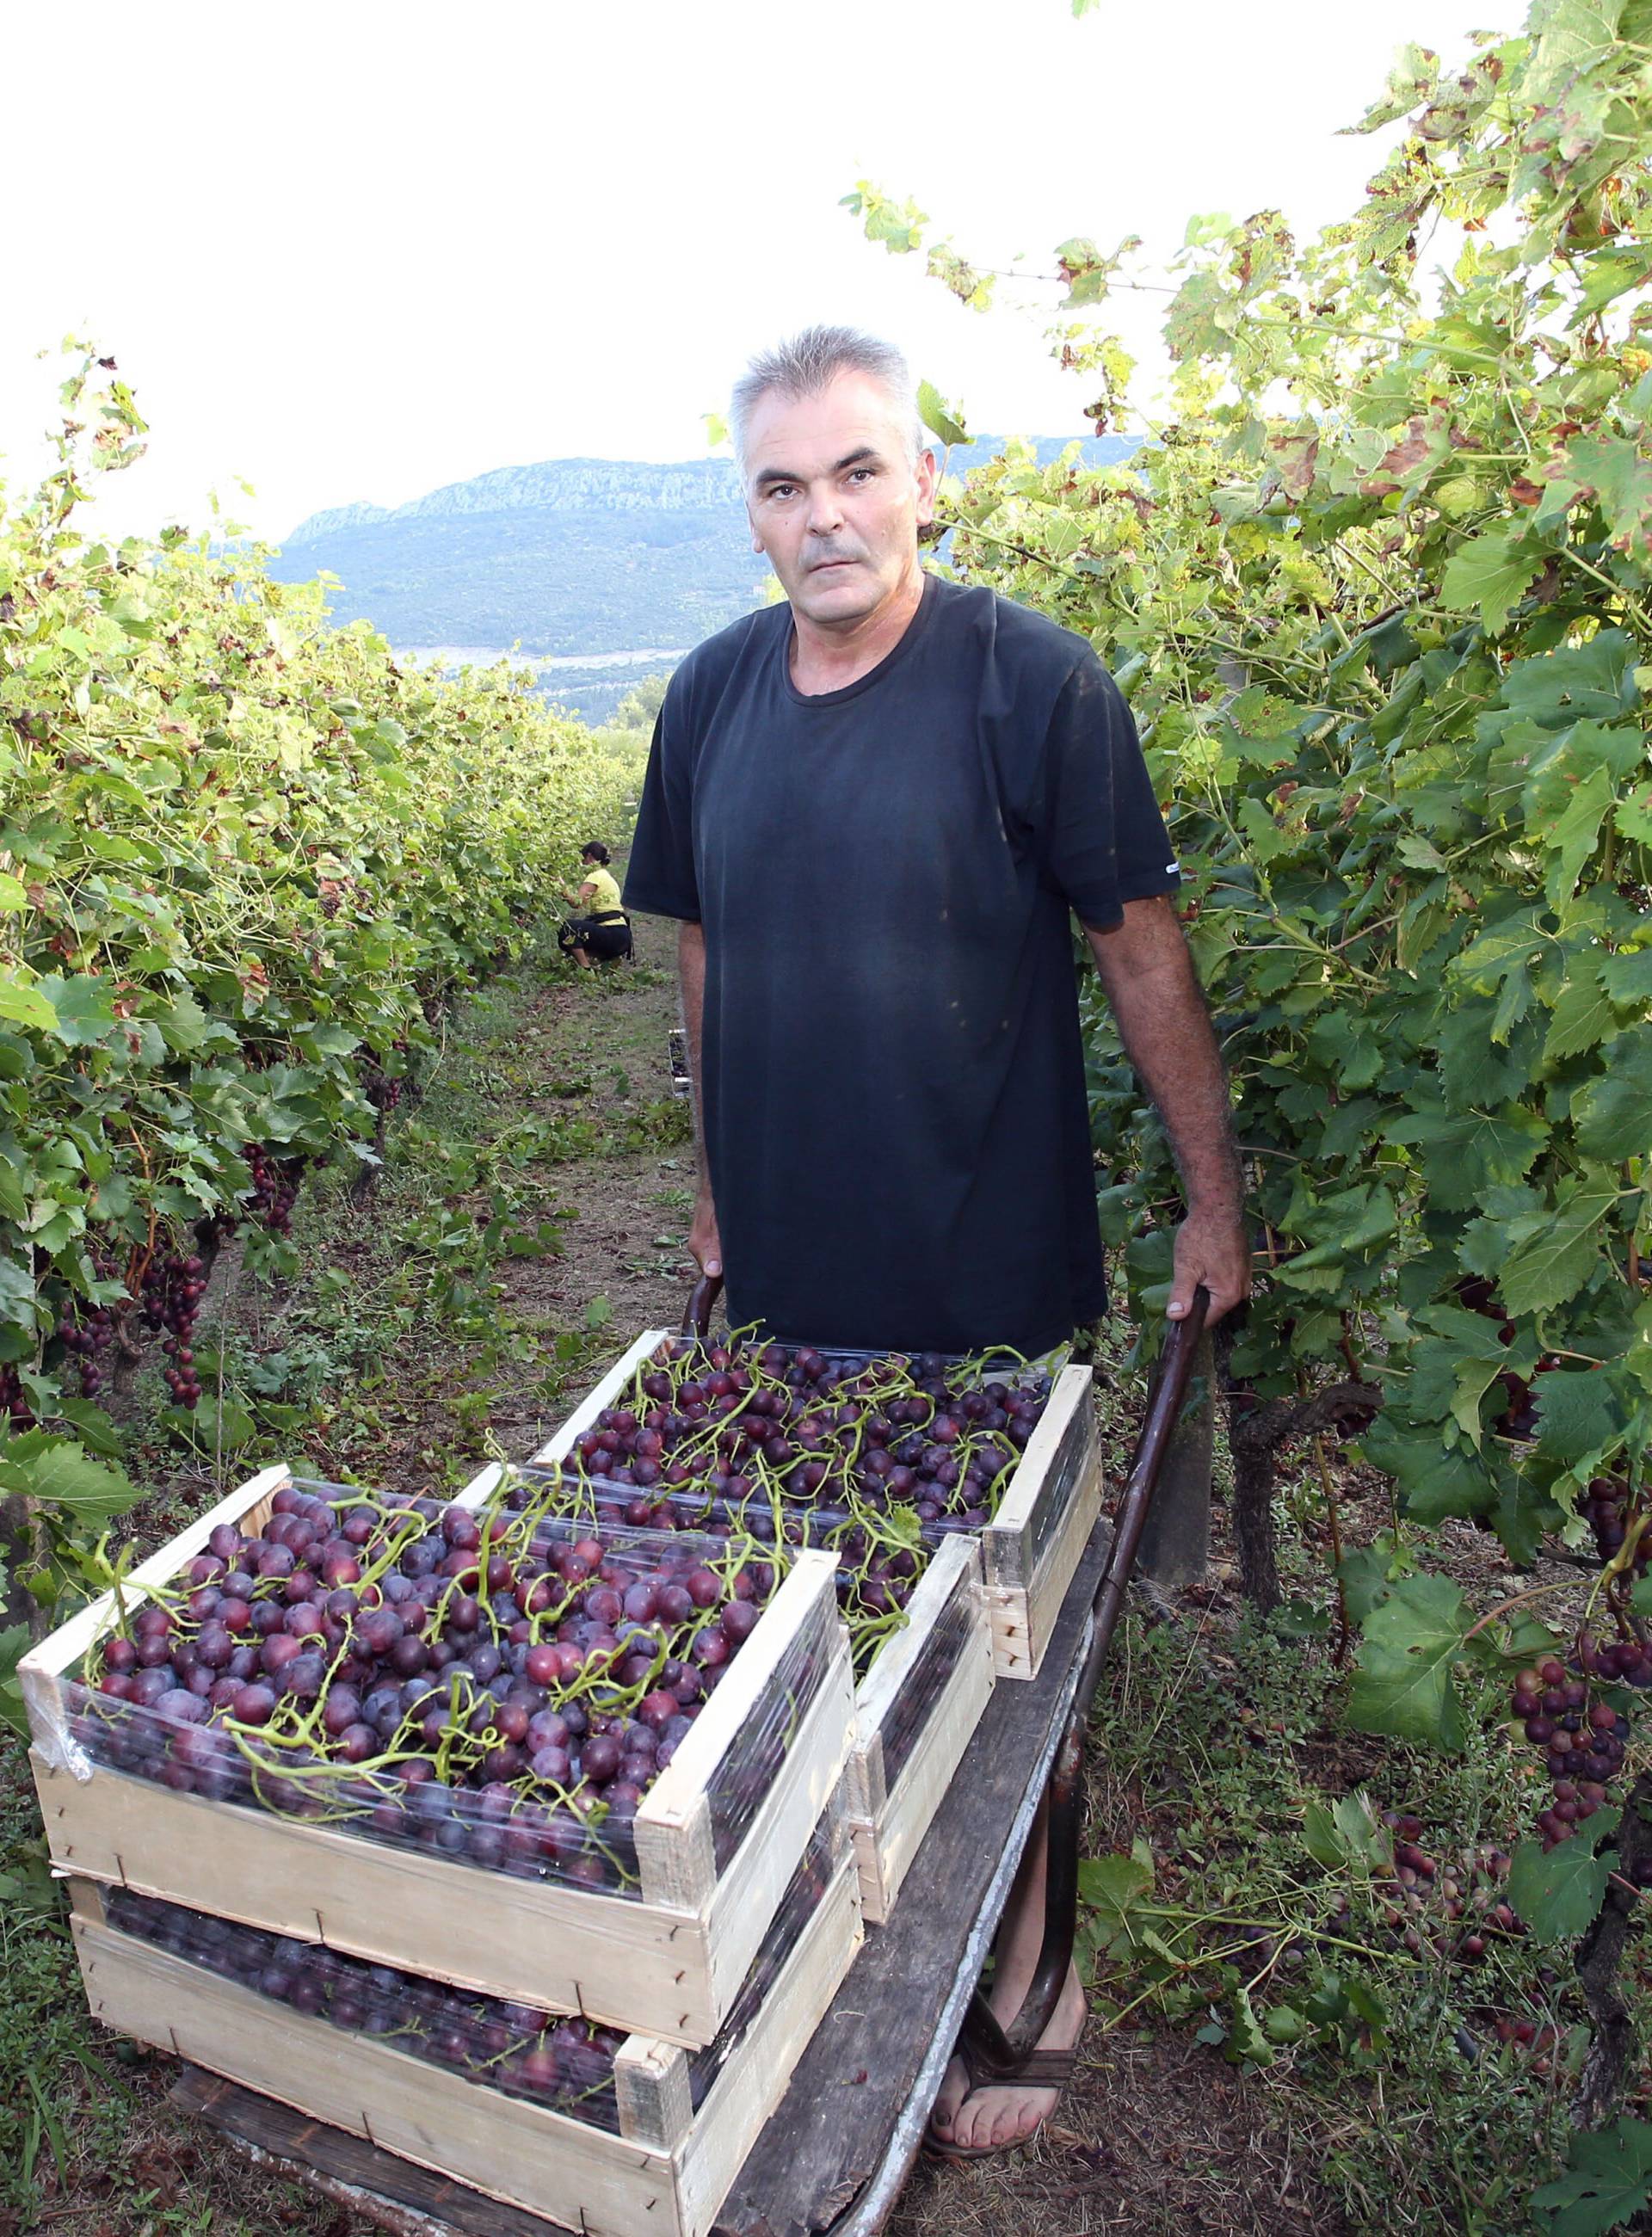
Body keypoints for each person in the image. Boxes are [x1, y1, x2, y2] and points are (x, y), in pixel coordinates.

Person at [623, 326, 1250, 2157]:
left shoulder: (1028, 684)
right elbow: (704, 945)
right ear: (750, 515)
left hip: (987, 1269)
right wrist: (720, 1176)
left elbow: (1139, 944)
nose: (824, 517)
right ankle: (851, 1942)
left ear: (923, 479)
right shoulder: (710, 699)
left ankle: (1038, 1969)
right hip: (790, 1281)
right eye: (784, 486)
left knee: (1007, 1652)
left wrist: (1212, 1199)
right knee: (813, 1626)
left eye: (856, 473)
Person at [558, 841, 632, 967]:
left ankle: (585, 967)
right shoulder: (606, 876)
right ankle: (599, 960)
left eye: (583, 860)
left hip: (613, 935)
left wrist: (560, 884)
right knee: (582, 928)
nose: (582, 864)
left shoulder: (595, 876)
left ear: (589, 857)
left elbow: (577, 903)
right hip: (622, 936)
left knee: (568, 928)